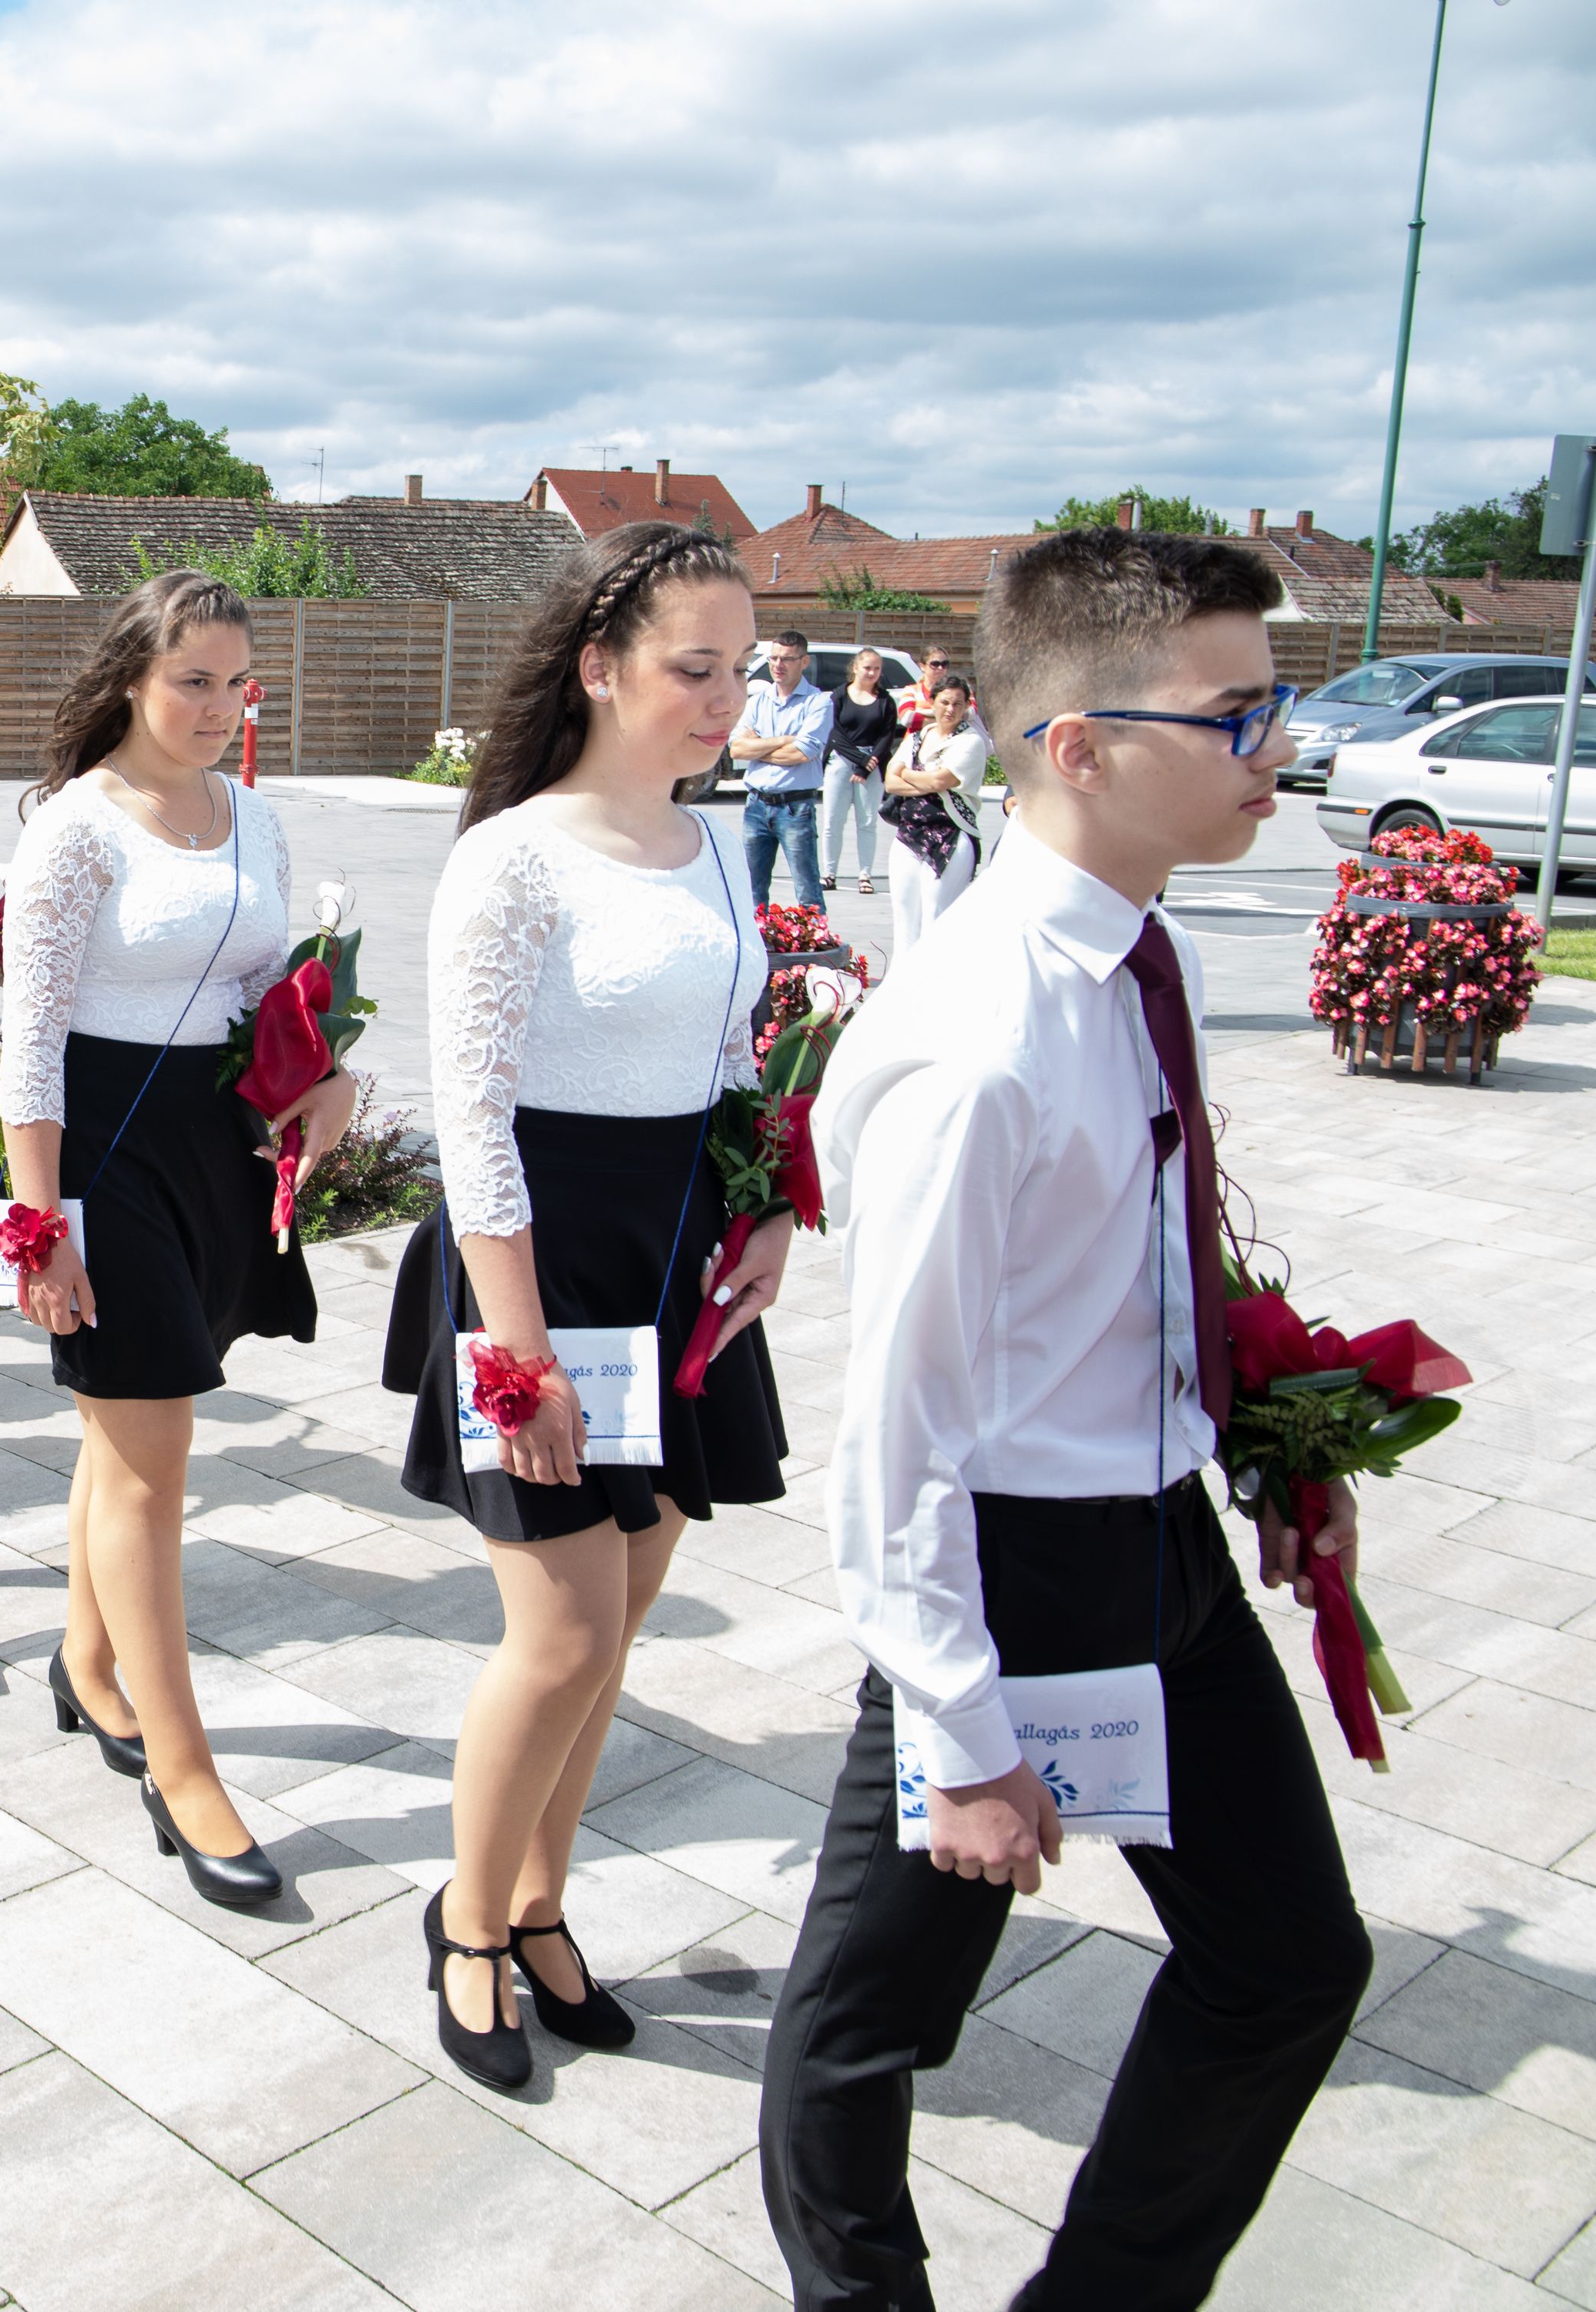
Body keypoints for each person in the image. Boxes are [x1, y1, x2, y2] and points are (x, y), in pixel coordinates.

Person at [764, 531, 1368, 2309]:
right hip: (1009, 1570)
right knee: (869, 2019)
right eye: (1230, 713)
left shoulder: (1137, 954)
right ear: (1078, 746)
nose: (1275, 748)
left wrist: (1261, 1443)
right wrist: (960, 1733)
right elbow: (898, 1432)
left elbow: (1132, 1268)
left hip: (1161, 1539)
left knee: (1287, 1959)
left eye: (1272, 704)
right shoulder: (981, 1038)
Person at [381, 520, 789, 2094]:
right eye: (696, 668)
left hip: (680, 1265)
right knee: (558, 1635)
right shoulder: (514, 855)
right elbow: (473, 1117)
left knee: (614, 1630)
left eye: (742, 667)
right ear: (602, 667)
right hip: (541, 1274)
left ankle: (542, 1904)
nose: (727, 698)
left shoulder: (723, 845)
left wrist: (769, 1213)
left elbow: (737, 1056)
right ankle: (469, 1921)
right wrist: (519, 1354)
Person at [7, 570, 346, 1905]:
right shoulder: (74, 830)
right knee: (154, 1452)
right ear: (132, 677)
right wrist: (38, 1224)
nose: (217, 707)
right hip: (99, 1152)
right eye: (192, 680)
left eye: (235, 684)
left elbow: (269, 994)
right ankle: (183, 1765)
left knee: (127, 1431)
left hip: (214, 1150)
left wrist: (329, 1084)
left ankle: (87, 1665)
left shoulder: (255, 817)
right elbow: (29, 1046)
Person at [880, 674, 991, 958]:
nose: (950, 709)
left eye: (958, 704)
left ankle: (933, 980)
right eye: (945, 702)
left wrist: (907, 773)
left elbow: (941, 780)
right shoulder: (918, 737)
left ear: (966, 707)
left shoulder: (971, 741)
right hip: (909, 833)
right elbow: (890, 782)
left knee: (935, 916)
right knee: (904, 919)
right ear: (932, 702)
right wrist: (924, 780)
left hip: (950, 835)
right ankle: (902, 980)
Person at [732, 630, 834, 905]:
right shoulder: (757, 701)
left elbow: (803, 753)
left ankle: (815, 934)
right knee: (751, 890)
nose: (778, 665)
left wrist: (759, 747)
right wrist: (784, 740)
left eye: (787, 659)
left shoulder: (818, 702)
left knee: (807, 890)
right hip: (756, 805)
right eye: (774, 658)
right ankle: (757, 933)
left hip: (795, 807)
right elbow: (737, 749)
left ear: (804, 662)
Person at [823, 647, 899, 897]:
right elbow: (835, 733)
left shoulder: (886, 701)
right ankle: (829, 873)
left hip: (872, 764)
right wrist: (861, 760)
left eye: (877, 669)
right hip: (841, 761)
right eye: (867, 667)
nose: (872, 673)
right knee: (833, 821)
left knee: (867, 822)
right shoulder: (839, 696)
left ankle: (865, 875)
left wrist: (868, 764)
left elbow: (887, 736)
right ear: (855, 668)